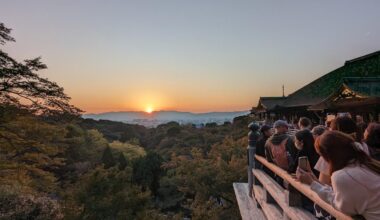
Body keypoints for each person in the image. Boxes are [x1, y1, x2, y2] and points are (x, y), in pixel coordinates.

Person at [297, 131, 380, 219]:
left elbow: (343, 207)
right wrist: (313, 181)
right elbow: (341, 197)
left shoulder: (342, 176)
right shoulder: (367, 164)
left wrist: (313, 183)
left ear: (327, 156)